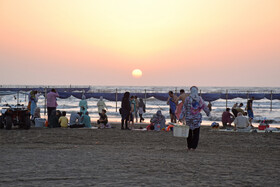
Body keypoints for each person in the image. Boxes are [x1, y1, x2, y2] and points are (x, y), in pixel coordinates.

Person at [179, 86, 210, 151]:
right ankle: (194, 147)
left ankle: (189, 146)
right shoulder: (199, 99)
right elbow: (204, 106)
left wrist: (181, 117)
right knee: (196, 133)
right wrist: (208, 113)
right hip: (196, 119)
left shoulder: (188, 99)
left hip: (189, 119)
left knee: (189, 133)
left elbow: (184, 108)